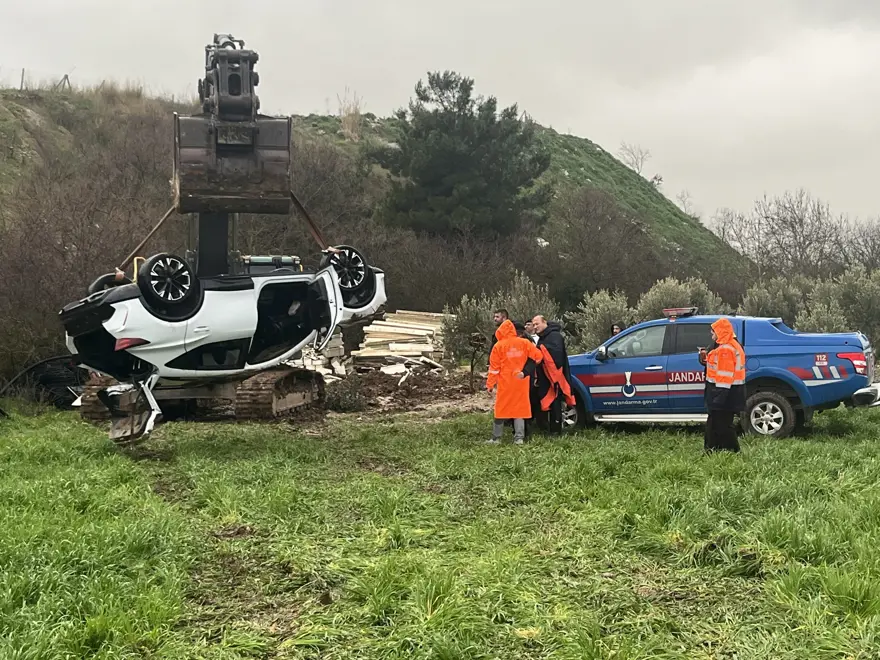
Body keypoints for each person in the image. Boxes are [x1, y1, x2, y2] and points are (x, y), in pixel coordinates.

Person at [486, 319, 543, 444]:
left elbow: (494, 369)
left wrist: (490, 385)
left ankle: (496, 438)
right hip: (521, 381)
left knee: (501, 409)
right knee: (520, 410)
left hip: (505, 383)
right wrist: (526, 370)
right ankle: (519, 438)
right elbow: (538, 357)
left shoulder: (498, 346)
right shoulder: (525, 343)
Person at [701, 317, 745, 453]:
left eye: (713, 332)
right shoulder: (728, 345)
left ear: (720, 332)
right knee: (716, 424)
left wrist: (718, 398)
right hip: (726, 392)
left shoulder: (725, 349)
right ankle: (713, 450)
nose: (711, 335)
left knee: (722, 425)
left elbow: (724, 376)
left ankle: (732, 451)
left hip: (723, 393)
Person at [531, 315, 572, 435]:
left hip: (555, 378)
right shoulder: (543, 337)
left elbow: (556, 355)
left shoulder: (555, 336)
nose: (535, 327)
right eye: (533, 325)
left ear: (545, 322)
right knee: (545, 401)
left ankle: (556, 431)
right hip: (544, 376)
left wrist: (539, 349)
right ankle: (545, 428)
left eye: (537, 324)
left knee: (555, 403)